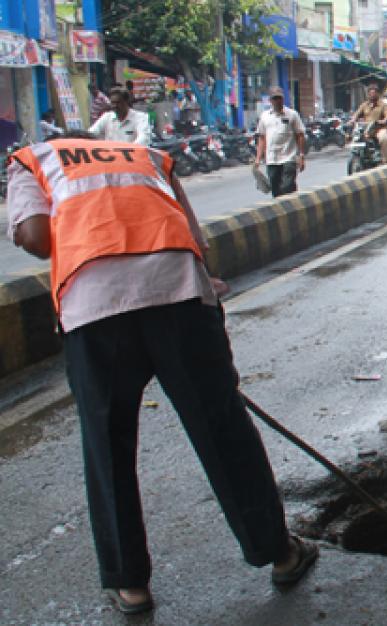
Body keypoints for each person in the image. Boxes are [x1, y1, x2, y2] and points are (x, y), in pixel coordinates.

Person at [4, 130, 319, 615]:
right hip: (179, 295)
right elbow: (194, 237)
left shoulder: (33, 159)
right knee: (222, 427)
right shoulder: (148, 156)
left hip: (95, 305)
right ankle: (279, 552)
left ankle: (130, 585)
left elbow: (37, 238)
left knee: (107, 444)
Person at [255, 86, 306, 197]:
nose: (277, 101)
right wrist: (258, 158)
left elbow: (300, 135)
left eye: (279, 98)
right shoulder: (264, 116)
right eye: (275, 98)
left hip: (289, 158)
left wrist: (301, 156)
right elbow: (262, 138)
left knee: (287, 187)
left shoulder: (292, 114)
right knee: (276, 190)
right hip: (272, 159)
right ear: (270, 100)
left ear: (283, 99)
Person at [88, 87, 152, 145]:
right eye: (113, 103)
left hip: (132, 156)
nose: (115, 106)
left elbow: (144, 138)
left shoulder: (141, 117)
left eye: (118, 102)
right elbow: (92, 132)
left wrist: (128, 150)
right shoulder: (107, 117)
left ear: (126, 102)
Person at [352, 85, 387, 163]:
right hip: (367, 129)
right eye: (370, 93)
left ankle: (386, 159)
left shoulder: (383, 105)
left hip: (379, 128)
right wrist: (352, 120)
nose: (372, 95)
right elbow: (357, 114)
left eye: (374, 93)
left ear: (377, 94)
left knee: (383, 137)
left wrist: (384, 120)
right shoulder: (364, 105)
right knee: (357, 137)